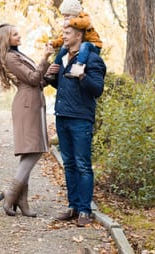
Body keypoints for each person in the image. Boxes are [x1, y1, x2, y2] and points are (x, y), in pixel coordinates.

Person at [45, 22, 106, 227]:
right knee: (69, 164)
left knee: (82, 165)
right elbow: (62, 85)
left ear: (78, 36)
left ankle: (84, 210)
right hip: (62, 116)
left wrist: (83, 76)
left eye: (67, 33)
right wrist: (53, 75)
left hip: (81, 119)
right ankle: (72, 206)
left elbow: (97, 89)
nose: (63, 35)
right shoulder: (63, 57)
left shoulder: (92, 59)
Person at [0, 23, 54, 217]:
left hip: (33, 102)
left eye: (18, 33)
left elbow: (38, 80)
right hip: (27, 105)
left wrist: (49, 73)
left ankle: (21, 200)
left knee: (30, 152)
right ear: (6, 39)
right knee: (35, 151)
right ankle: (11, 191)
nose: (19, 36)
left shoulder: (18, 55)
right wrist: (44, 58)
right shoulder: (10, 58)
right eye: (15, 35)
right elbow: (33, 79)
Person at [49, 0, 103, 79]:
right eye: (64, 16)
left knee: (84, 45)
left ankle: (78, 69)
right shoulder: (71, 22)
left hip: (93, 45)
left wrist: (70, 21)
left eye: (67, 15)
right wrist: (54, 43)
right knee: (64, 47)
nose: (66, 18)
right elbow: (64, 37)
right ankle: (54, 69)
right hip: (81, 47)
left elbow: (85, 23)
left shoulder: (83, 17)